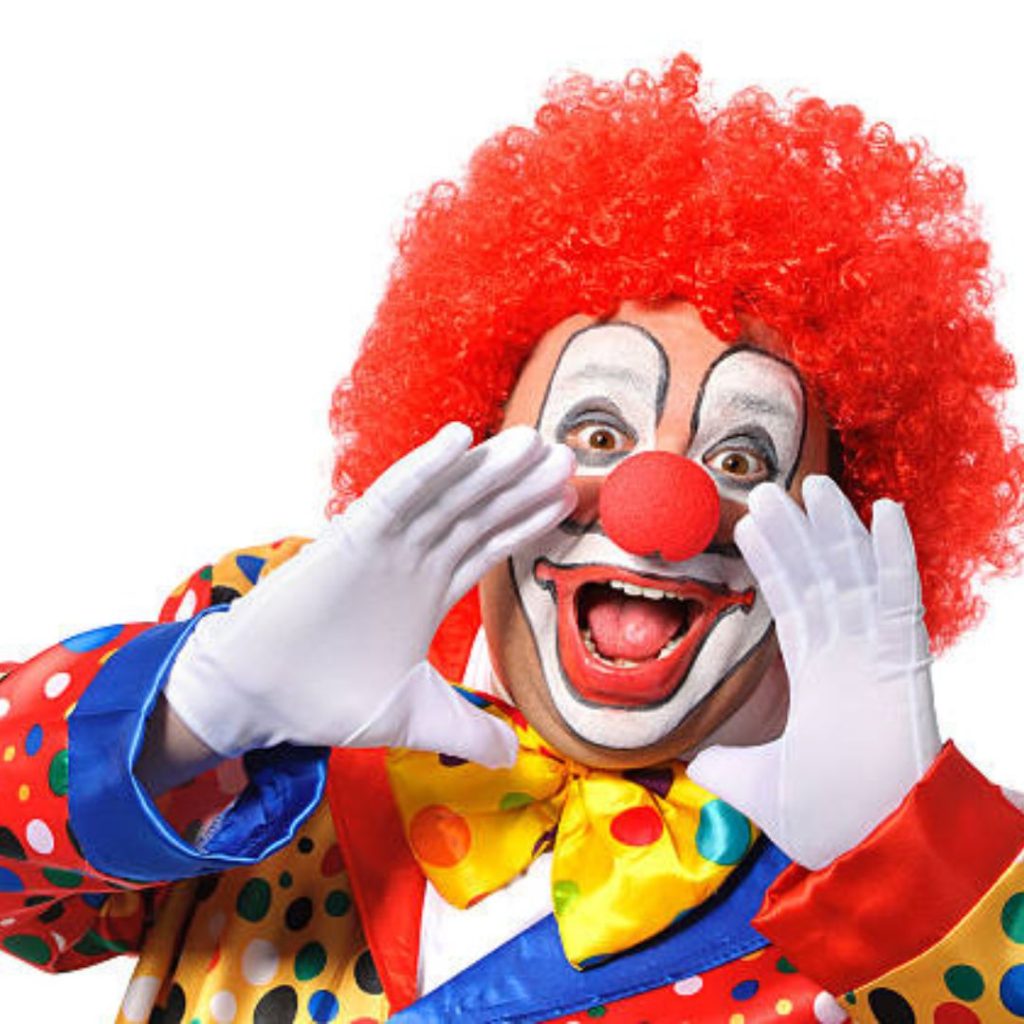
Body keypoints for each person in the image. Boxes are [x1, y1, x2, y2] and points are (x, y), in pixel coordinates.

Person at [1, 52, 1022, 1024]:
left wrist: (913, 874)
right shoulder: (271, 652)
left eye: (742, 460)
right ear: (478, 433)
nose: (660, 509)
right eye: (597, 434)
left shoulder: (916, 895)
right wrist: (197, 709)